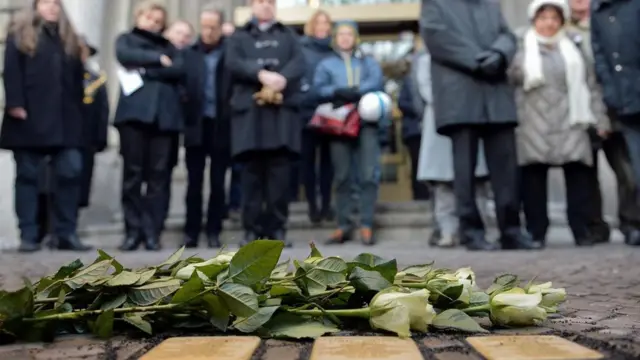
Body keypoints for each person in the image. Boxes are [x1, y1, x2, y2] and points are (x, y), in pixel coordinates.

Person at [420, 0, 535, 251]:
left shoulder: (491, 5)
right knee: (464, 172)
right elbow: (437, 38)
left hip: (495, 93)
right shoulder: (435, 4)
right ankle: (471, 232)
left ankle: (511, 230)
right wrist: (477, 60)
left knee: (506, 170)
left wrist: (498, 55)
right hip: (460, 95)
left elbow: (507, 35)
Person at [508, 0, 609, 247]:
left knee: (579, 180)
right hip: (533, 124)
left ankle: (582, 230)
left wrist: (600, 118)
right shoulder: (521, 48)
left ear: (561, 22)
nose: (549, 23)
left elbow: (591, 85)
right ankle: (536, 232)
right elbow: (511, 79)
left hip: (571, 121)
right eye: (543, 18)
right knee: (532, 183)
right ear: (534, 21)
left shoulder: (573, 49)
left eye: (554, 18)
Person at [1, 0, 91, 252]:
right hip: (29, 117)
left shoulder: (68, 38)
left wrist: (80, 113)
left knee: (71, 172)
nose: (52, 8)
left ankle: (66, 232)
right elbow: (11, 71)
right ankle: (29, 234)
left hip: (66, 119)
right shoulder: (20, 34)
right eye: (46, 3)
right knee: (28, 176)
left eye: (55, 4)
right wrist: (15, 103)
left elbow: (76, 80)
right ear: (36, 6)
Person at [225, 0, 304, 246]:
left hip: (280, 117)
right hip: (249, 117)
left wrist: (282, 78)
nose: (266, 6)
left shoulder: (288, 35)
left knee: (280, 179)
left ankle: (277, 230)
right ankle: (251, 232)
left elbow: (299, 63)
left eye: (270, 2)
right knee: (250, 179)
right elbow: (233, 63)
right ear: (251, 5)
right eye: (260, 2)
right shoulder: (239, 36)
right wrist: (260, 74)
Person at [114, 0, 185, 251]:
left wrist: (146, 70)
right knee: (132, 176)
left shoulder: (170, 47)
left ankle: (153, 231)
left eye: (158, 21)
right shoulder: (126, 39)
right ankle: (132, 231)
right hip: (134, 118)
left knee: (159, 178)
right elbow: (124, 56)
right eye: (149, 19)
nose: (153, 24)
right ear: (139, 18)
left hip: (164, 120)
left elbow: (178, 69)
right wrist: (157, 60)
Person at [568, 0, 640, 245]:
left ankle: (631, 222)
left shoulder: (619, 14)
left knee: (627, 171)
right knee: (588, 176)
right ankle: (596, 226)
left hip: (618, 105)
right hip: (592, 109)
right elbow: (599, 62)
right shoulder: (558, 27)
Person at [314, 20, 385, 245]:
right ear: (335, 38)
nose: (345, 38)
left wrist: (356, 92)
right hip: (339, 126)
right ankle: (343, 225)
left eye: (349, 34)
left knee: (368, 174)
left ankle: (366, 224)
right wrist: (337, 91)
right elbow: (318, 88)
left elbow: (376, 81)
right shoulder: (325, 64)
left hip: (366, 124)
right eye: (341, 34)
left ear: (355, 37)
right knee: (342, 176)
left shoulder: (368, 62)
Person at [413, 49, 492, 248]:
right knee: (443, 184)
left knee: (476, 182)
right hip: (440, 124)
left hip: (470, 119)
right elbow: (427, 90)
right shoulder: (426, 61)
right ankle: (447, 231)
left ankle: (478, 229)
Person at [590, 0, 640, 246]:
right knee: (634, 171)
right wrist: (612, 93)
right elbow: (600, 56)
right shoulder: (598, 10)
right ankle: (634, 225)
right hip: (624, 106)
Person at [182, 6, 231, 248]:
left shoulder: (229, 52)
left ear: (221, 27)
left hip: (221, 125)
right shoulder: (189, 53)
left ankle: (214, 230)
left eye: (213, 26)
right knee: (194, 181)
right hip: (196, 124)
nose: (208, 31)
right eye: (205, 26)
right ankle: (191, 232)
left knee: (218, 182)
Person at [300, 10, 335, 224]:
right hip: (306, 113)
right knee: (308, 162)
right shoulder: (301, 49)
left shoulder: (334, 52)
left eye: (326, 23)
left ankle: (326, 204)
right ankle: (312, 204)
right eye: (319, 23)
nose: (322, 27)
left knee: (328, 164)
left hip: (330, 114)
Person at [159, 20, 194, 232]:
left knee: (163, 175)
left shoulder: (188, 58)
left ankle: (157, 225)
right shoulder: (158, 53)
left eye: (187, 35)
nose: (182, 37)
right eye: (178, 32)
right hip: (153, 121)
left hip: (173, 124)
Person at [78, 39, 109, 211]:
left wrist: (100, 139)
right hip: (57, 138)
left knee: (81, 184)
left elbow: (102, 112)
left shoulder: (95, 80)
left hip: (85, 139)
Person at [397, 39, 430, 201]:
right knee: (417, 166)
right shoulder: (409, 80)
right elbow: (402, 103)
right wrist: (421, 112)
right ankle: (420, 197)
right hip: (415, 131)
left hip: (432, 129)